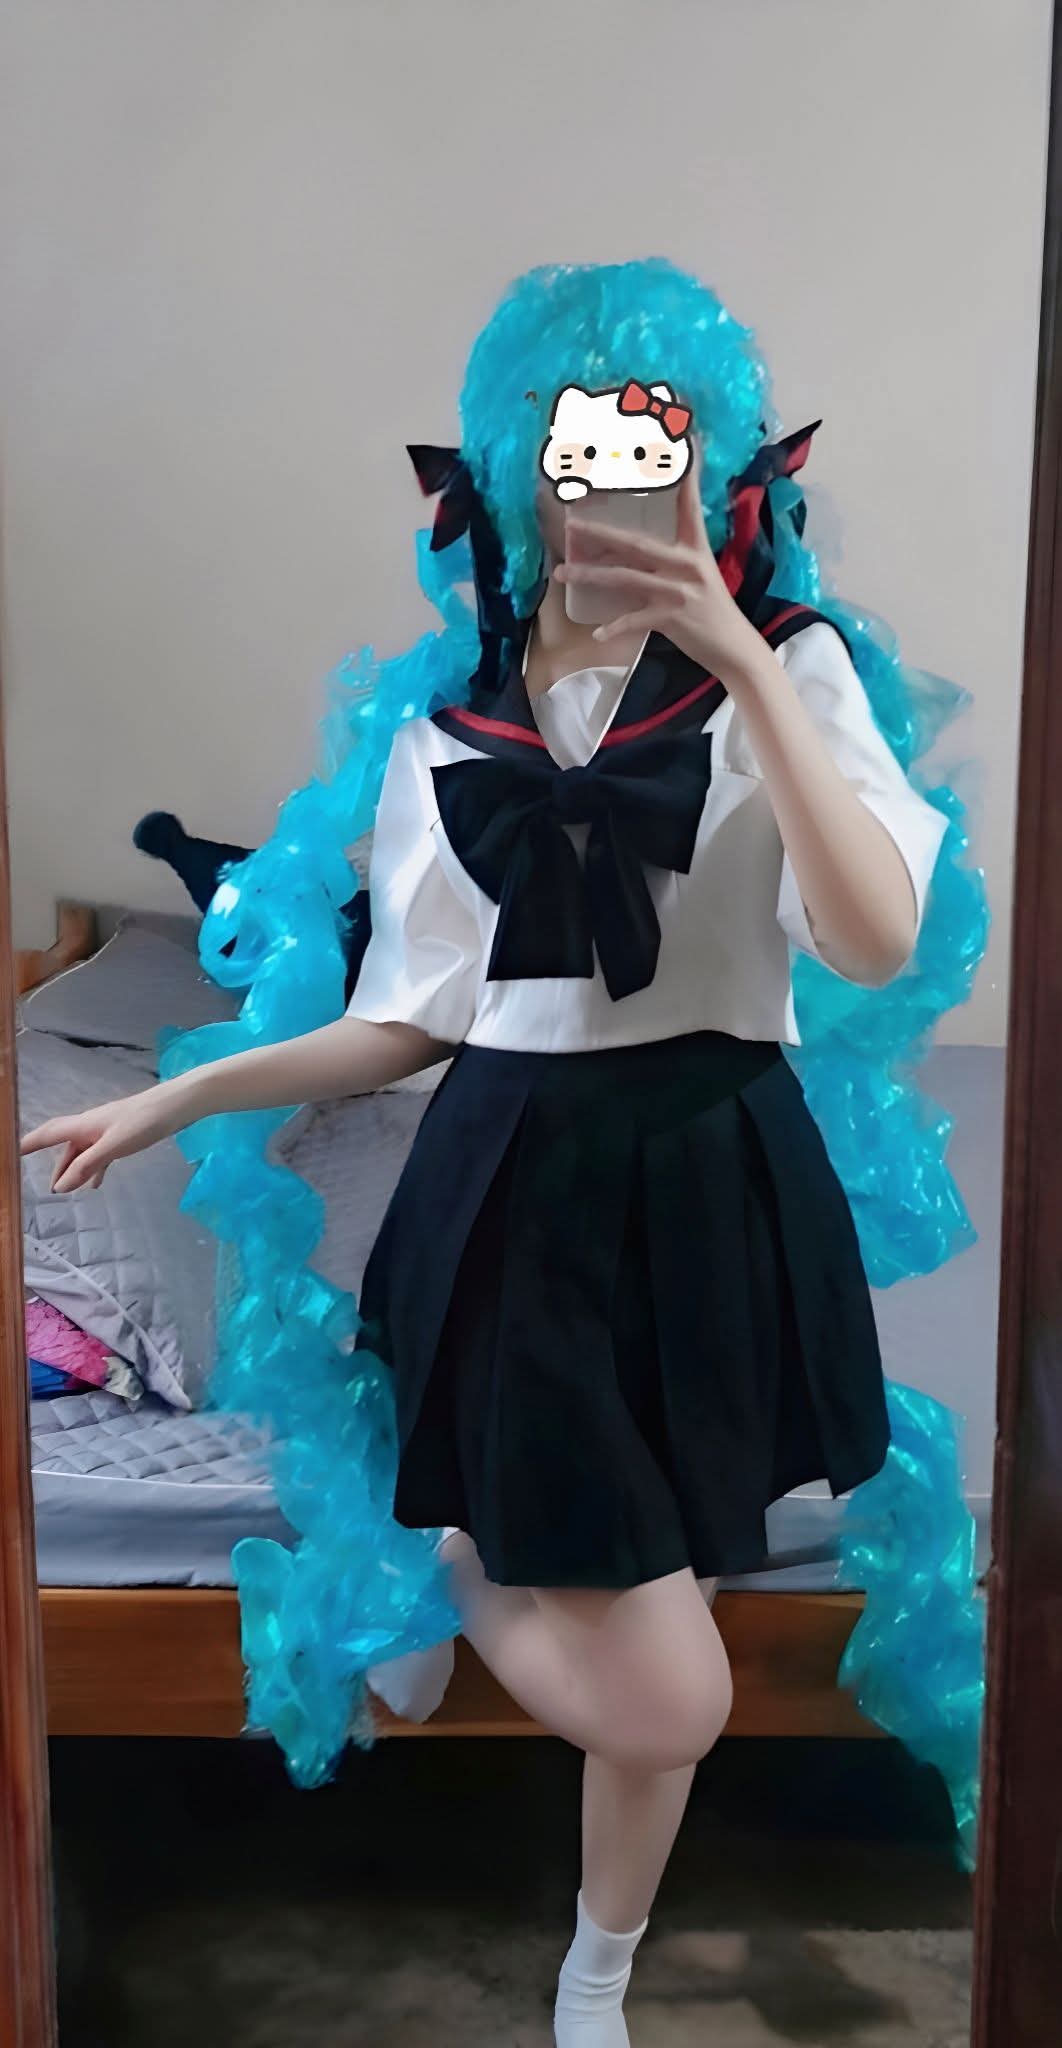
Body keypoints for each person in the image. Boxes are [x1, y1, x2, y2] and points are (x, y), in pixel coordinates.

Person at [22, 265, 953, 2048]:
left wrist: (745, 662)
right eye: (571, 447)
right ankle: (444, 1561)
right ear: (513, 473)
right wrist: (177, 1095)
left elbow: (872, 937)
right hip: (520, 1189)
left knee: (675, 1587)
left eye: (648, 445)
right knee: (672, 1695)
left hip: (718, 1181)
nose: (604, 485)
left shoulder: (794, 671)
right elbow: (412, 1021)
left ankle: (591, 1964)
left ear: (716, 468)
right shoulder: (449, 724)